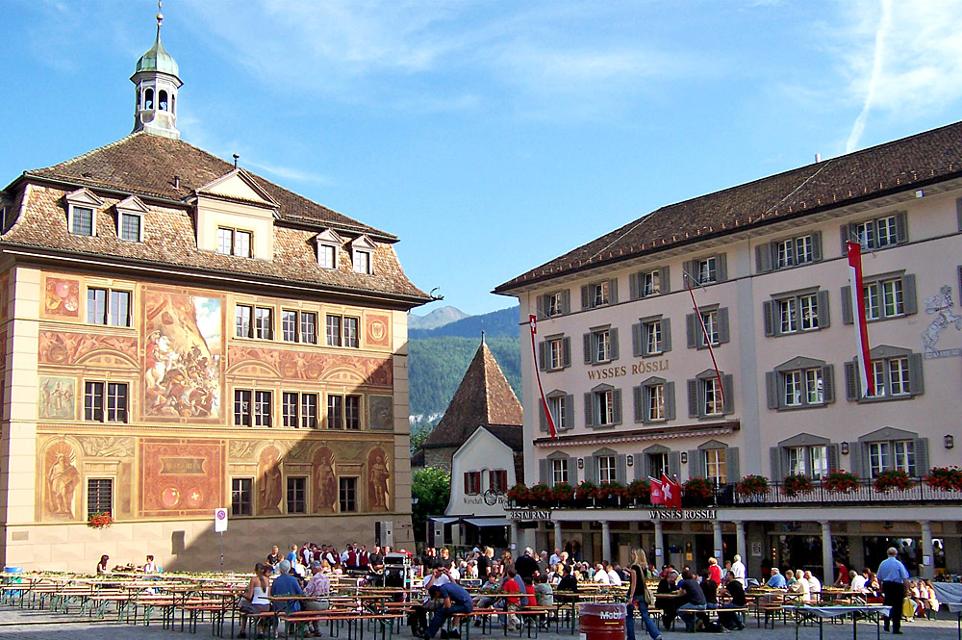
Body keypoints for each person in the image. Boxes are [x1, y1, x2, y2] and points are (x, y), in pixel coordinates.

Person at [626, 549, 662, 640]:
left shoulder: (634, 567)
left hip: (635, 595)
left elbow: (634, 583)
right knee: (645, 615)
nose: (632, 556)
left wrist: (631, 597)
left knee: (629, 615)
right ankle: (656, 634)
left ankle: (631, 637)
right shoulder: (644, 568)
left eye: (633, 554)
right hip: (642, 594)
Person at [877, 547, 910, 634]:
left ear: (887, 553)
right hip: (897, 586)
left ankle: (886, 624)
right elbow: (905, 577)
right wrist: (906, 589)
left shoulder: (883, 563)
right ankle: (896, 628)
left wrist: (881, 588)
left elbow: (879, 577)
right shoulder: (898, 563)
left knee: (887, 605)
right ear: (896, 554)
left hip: (887, 585)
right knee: (897, 607)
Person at [237, 563, 271, 639]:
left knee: (244, 609)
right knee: (256, 612)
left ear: (255, 571)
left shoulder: (254, 580)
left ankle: (242, 631)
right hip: (267, 606)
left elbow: (249, 596)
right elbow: (269, 596)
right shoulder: (267, 580)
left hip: (257, 606)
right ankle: (260, 631)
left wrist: (241, 594)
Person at [676, 569, 708, 633]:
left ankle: (694, 621)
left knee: (679, 610)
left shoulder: (685, 582)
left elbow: (682, 593)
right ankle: (694, 623)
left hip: (696, 604)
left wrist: (677, 592)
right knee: (687, 609)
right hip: (704, 603)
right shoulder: (695, 582)